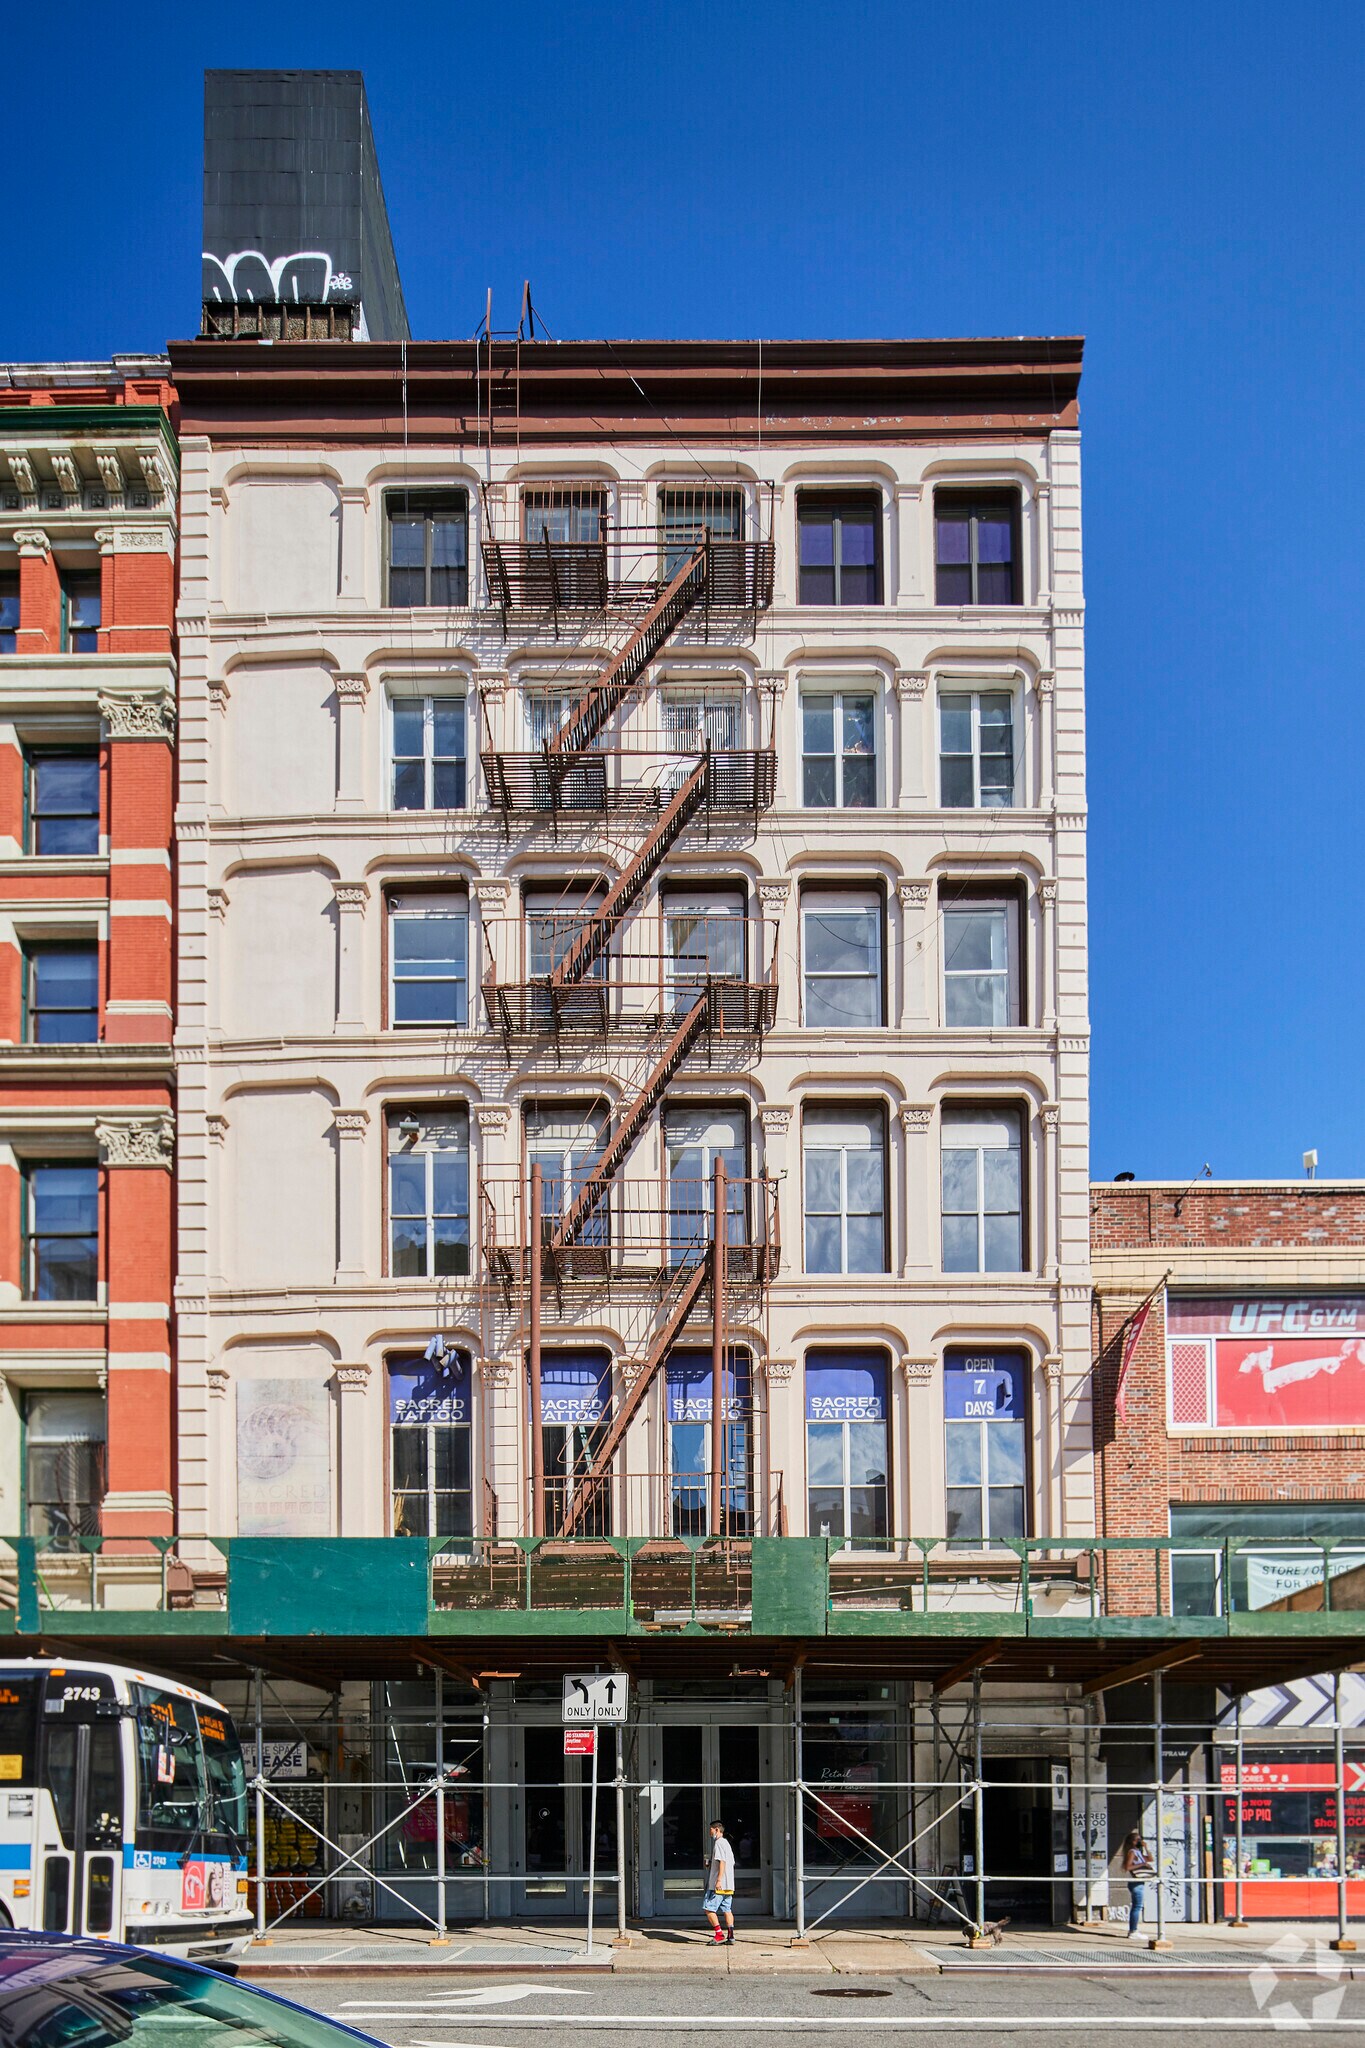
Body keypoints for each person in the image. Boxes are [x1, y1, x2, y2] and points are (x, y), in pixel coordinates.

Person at [703, 1819, 736, 1944]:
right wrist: (711, 1864)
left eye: (711, 1830)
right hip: (729, 1885)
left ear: (716, 1829)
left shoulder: (719, 1843)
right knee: (727, 1909)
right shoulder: (726, 1844)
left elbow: (722, 1862)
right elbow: (728, 1862)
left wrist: (718, 1880)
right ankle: (731, 1936)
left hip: (719, 1885)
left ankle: (719, 1934)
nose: (710, 1832)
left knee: (708, 1909)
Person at [1122, 1827, 1155, 1937]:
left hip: (1140, 1882)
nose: (1140, 1842)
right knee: (1137, 1906)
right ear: (1132, 1841)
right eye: (1138, 1840)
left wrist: (1146, 1848)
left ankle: (1134, 1930)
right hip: (1136, 1882)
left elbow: (1150, 1859)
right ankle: (1133, 1930)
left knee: (1137, 1906)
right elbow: (1128, 1867)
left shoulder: (1138, 1852)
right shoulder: (1132, 1852)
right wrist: (1142, 1865)